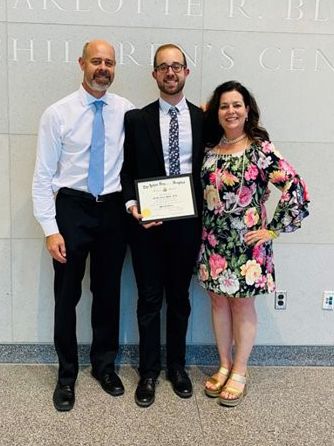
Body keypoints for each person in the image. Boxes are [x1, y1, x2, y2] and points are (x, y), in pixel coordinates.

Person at [32, 39, 134, 412]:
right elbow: (43, 177)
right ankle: (66, 375)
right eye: (96, 61)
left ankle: (104, 367)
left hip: (111, 211)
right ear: (81, 64)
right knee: (67, 296)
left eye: (109, 62)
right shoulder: (57, 114)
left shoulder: (126, 111)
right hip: (71, 210)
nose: (103, 68)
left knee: (108, 293)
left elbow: (143, 154)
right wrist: (50, 228)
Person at [197, 80, 310, 407]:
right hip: (213, 241)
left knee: (242, 305)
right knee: (218, 302)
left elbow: (295, 187)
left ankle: (241, 371)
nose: (230, 111)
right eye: (224, 106)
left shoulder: (261, 149)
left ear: (247, 110)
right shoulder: (210, 148)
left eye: (236, 105)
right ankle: (224, 364)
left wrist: (272, 229)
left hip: (247, 244)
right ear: (216, 113)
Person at [121, 44, 204, 407]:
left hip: (187, 224)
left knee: (181, 298)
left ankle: (177, 367)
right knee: (150, 299)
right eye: (163, 67)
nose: (170, 73)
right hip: (148, 225)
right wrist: (132, 205)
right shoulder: (136, 119)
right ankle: (149, 372)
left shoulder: (205, 119)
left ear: (186, 72)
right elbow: (125, 172)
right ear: (154, 74)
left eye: (176, 66)